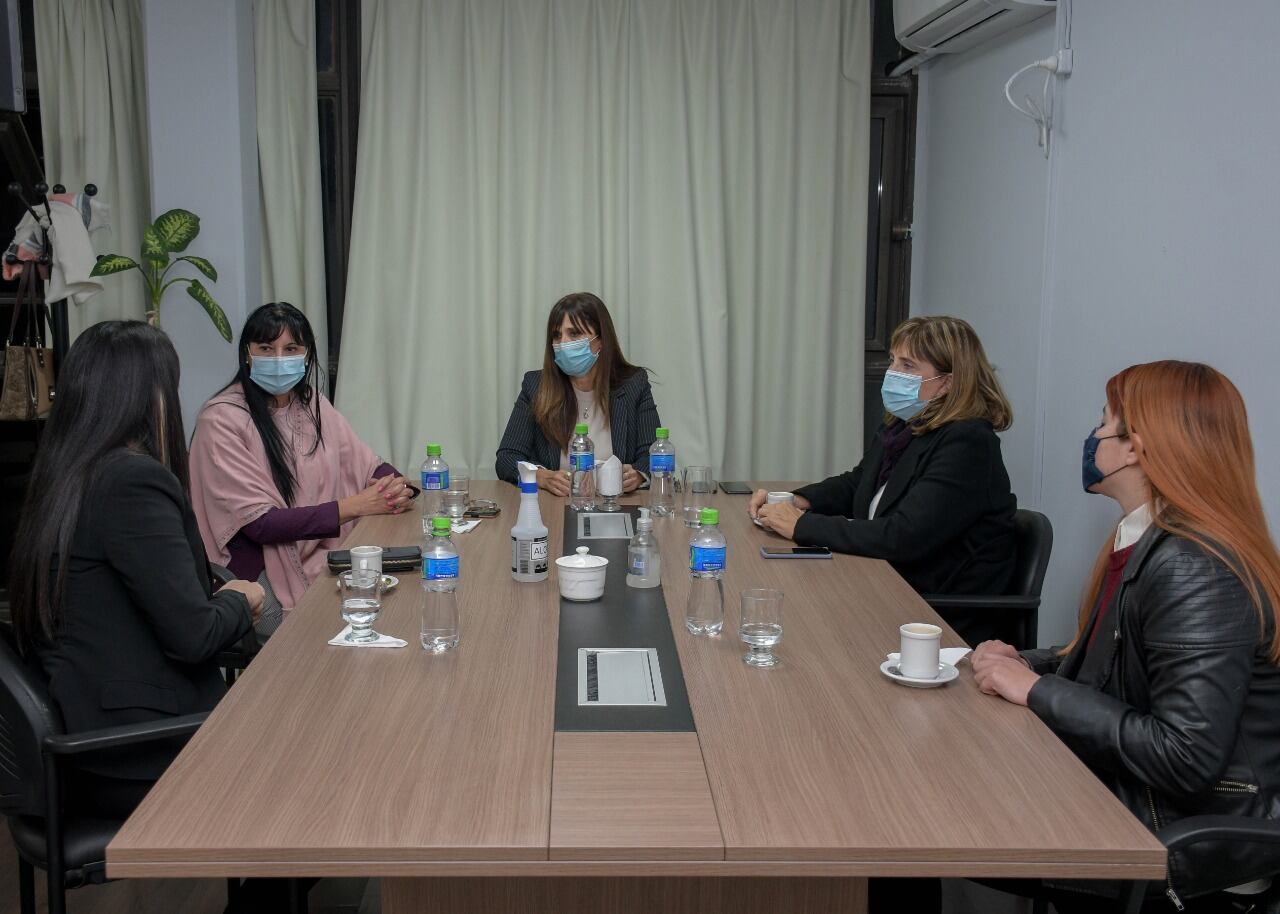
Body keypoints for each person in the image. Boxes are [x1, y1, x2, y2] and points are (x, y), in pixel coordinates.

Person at [972, 361, 1280, 911]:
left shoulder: (1194, 565)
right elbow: (1115, 660)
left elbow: (1184, 756)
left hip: (1180, 832)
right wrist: (1022, 663)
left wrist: (1034, 689)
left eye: (1101, 424)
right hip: (1143, 797)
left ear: (1135, 447)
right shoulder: (1148, 535)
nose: (1091, 439)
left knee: (943, 813)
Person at [7, 321, 263, 819]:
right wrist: (242, 598)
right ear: (148, 395)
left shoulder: (61, 477)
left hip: (88, 738)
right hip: (143, 752)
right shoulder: (131, 480)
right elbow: (194, 635)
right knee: (326, 758)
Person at [752, 316, 1016, 642]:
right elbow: (858, 483)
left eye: (908, 365)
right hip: (886, 587)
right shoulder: (904, 428)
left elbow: (902, 537)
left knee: (803, 629)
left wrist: (800, 526)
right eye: (893, 360)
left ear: (947, 383)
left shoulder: (968, 443)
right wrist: (796, 500)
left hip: (935, 618)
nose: (892, 373)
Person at [189, 302, 415, 623]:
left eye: (290, 348)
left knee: (396, 594)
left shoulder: (311, 404)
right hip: (256, 572)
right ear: (247, 354)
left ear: (306, 355)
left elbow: (365, 464)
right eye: (266, 348)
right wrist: (356, 505)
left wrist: (394, 485)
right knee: (351, 617)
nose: (279, 359)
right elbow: (260, 525)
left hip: (318, 553)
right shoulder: (221, 419)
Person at [496, 291, 662, 494]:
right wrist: (540, 476)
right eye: (557, 335)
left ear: (600, 340)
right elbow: (506, 458)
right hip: (554, 507)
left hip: (614, 505)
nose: (563, 343)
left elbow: (653, 453)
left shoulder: (634, 384)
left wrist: (637, 475)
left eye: (574, 334)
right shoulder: (536, 386)